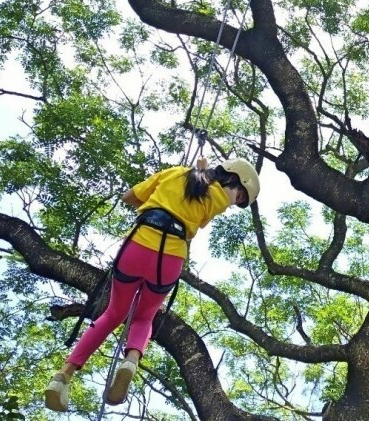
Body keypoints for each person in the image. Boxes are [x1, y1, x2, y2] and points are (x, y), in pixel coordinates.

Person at [44, 157, 260, 412]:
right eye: (240, 196)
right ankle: (130, 361)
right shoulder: (218, 199)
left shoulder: (176, 173)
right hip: (169, 258)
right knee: (144, 317)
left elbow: (129, 197)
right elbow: (201, 193)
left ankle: (63, 376)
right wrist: (199, 173)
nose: (235, 202)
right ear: (236, 181)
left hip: (137, 245)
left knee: (114, 313)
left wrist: (179, 179)